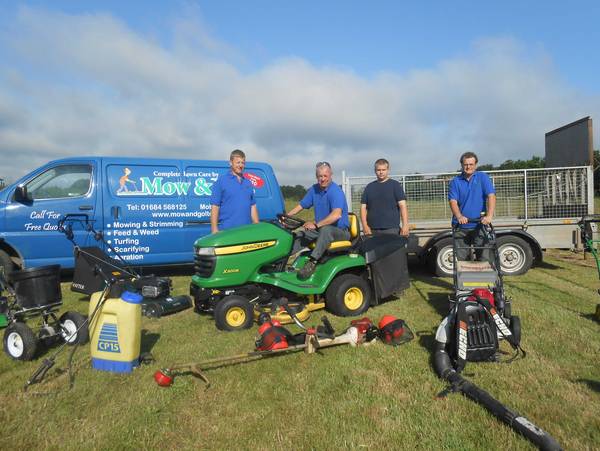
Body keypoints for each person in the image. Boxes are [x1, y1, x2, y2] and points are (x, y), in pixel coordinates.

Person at [286, 161, 350, 280]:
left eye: (325, 176)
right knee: (299, 235)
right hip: (320, 229)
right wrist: (286, 216)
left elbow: (336, 215)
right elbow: (301, 205)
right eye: (320, 176)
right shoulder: (314, 190)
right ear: (317, 177)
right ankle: (281, 261)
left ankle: (312, 262)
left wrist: (316, 225)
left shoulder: (336, 191)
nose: (323, 179)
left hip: (339, 231)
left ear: (331, 175)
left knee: (325, 230)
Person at [448, 151, 496, 262]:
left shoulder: (482, 177)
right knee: (462, 260)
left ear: (476, 165)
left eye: (471, 164)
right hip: (460, 226)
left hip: (479, 225)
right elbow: (453, 201)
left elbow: (491, 196)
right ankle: (464, 279)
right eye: (466, 164)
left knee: (484, 257)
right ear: (461, 165)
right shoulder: (455, 182)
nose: (468, 167)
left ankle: (484, 279)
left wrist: (489, 216)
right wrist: (459, 216)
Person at [210, 149, 259, 233]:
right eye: (238, 162)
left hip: (247, 231)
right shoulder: (221, 181)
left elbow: (253, 206)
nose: (240, 165)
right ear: (230, 163)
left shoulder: (248, 183)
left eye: (242, 163)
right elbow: (215, 206)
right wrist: (214, 229)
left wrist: (257, 225)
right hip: (227, 232)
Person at [360, 158, 409, 237]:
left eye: (383, 169)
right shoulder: (369, 187)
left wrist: (405, 225)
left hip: (391, 229)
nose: (381, 172)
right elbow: (363, 208)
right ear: (375, 171)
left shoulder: (395, 185)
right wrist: (365, 226)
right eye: (378, 170)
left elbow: (403, 206)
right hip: (372, 229)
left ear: (388, 170)